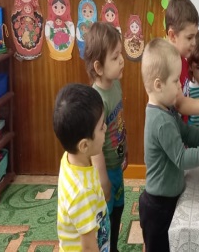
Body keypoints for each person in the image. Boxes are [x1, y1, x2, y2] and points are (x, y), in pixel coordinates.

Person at [139, 38, 199, 252]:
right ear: (158, 85)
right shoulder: (160, 121)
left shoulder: (167, 110)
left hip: (168, 198)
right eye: (175, 82)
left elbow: (186, 133)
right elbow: (182, 158)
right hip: (158, 206)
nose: (180, 86)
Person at [83, 22, 127, 252]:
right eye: (115, 57)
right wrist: (102, 179)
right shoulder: (96, 99)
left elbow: (119, 122)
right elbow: (95, 147)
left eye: (121, 54)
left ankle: (114, 247)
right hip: (105, 170)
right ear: (99, 67)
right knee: (105, 218)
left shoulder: (115, 84)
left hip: (116, 165)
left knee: (118, 209)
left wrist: (125, 150)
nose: (122, 60)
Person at [53, 83, 110, 251]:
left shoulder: (70, 157)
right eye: (101, 127)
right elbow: (89, 248)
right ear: (84, 145)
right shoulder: (82, 193)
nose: (106, 128)